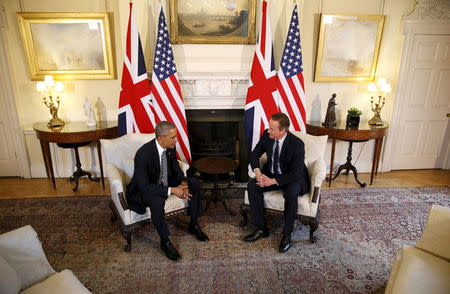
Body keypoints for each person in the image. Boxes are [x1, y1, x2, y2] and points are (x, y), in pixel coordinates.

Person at [126, 121, 209, 261]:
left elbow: (175, 167)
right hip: (145, 189)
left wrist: (183, 182)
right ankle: (165, 241)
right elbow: (144, 186)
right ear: (160, 138)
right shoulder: (143, 154)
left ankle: (193, 224)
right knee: (157, 200)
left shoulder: (170, 147)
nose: (176, 140)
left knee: (193, 183)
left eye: (176, 136)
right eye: (173, 137)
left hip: (164, 181)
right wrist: (172, 190)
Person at [244, 112, 310, 253]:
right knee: (252, 186)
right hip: (271, 173)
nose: (268, 130)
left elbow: (297, 173)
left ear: (282, 131)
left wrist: (273, 181)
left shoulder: (297, 144)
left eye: (272, 128)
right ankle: (261, 228)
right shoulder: (267, 136)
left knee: (291, 193)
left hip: (291, 177)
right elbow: (254, 154)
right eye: (269, 127)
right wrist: (258, 172)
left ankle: (287, 234)